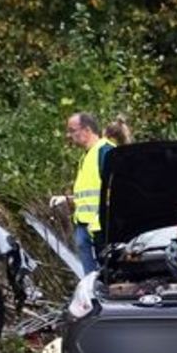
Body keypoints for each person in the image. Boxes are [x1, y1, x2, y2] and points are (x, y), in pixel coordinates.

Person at [53, 113, 114, 274]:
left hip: (101, 229)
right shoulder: (86, 157)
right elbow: (90, 194)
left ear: (87, 130)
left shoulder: (105, 152)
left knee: (105, 276)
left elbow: (115, 190)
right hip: (85, 226)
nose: (69, 135)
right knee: (91, 279)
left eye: (72, 130)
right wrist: (67, 199)